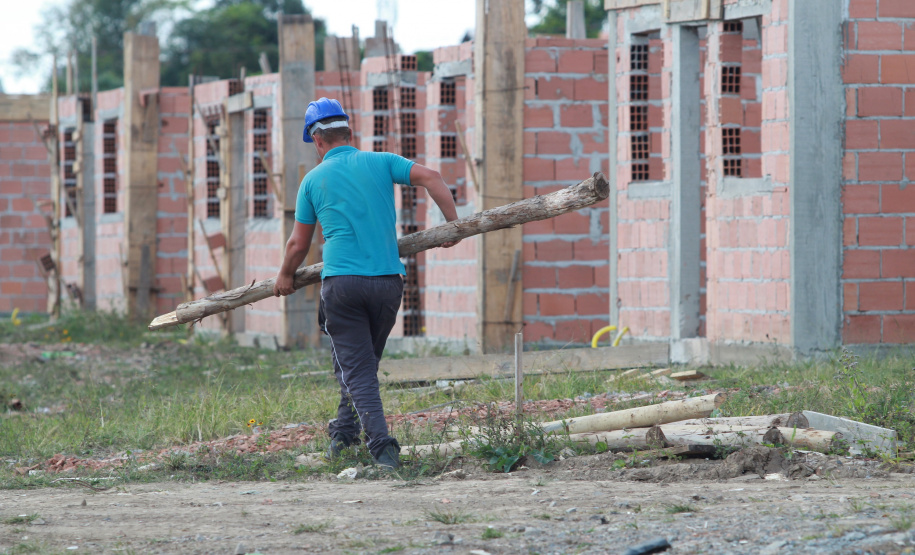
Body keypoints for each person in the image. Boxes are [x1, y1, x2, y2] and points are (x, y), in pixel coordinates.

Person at [272, 97, 460, 469]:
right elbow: (432, 178)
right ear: (348, 133)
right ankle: (343, 434)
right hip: (388, 284)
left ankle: (383, 448)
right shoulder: (382, 161)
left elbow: (298, 244)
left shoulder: (312, 181)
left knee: (356, 369)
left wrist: (283, 275)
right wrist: (452, 224)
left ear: (317, 141)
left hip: (342, 286)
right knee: (360, 365)